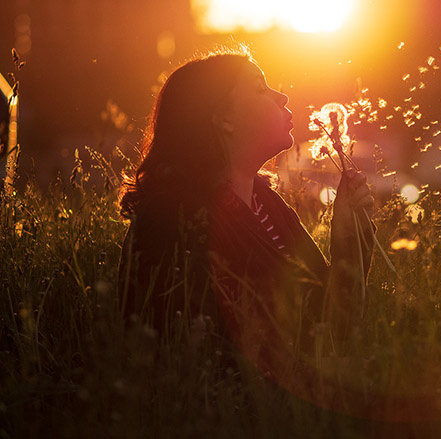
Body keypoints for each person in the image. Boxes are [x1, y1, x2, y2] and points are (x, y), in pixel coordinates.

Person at [117, 48, 375, 408]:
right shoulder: (171, 220)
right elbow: (196, 360)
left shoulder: (269, 206)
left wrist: (347, 235)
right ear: (224, 118)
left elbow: (332, 325)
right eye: (259, 88)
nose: (282, 97)